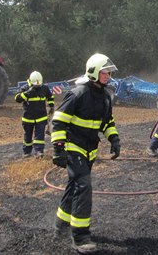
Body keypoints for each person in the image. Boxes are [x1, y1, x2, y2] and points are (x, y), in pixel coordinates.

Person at [51, 53, 121, 254]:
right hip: (73, 146)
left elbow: (107, 122)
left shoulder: (106, 96)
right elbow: (59, 121)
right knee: (84, 185)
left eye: (109, 72)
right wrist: (58, 148)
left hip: (89, 149)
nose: (108, 75)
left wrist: (114, 139)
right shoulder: (79, 93)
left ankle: (60, 226)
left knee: (74, 185)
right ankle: (80, 238)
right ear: (94, 72)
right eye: (105, 72)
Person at [14, 71, 55, 158]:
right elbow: (17, 99)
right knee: (27, 136)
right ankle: (27, 152)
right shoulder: (25, 88)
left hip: (41, 118)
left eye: (39, 85)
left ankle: (39, 151)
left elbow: (50, 96)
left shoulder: (44, 88)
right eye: (36, 85)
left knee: (39, 136)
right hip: (28, 118)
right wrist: (27, 93)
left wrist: (51, 105)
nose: (37, 86)